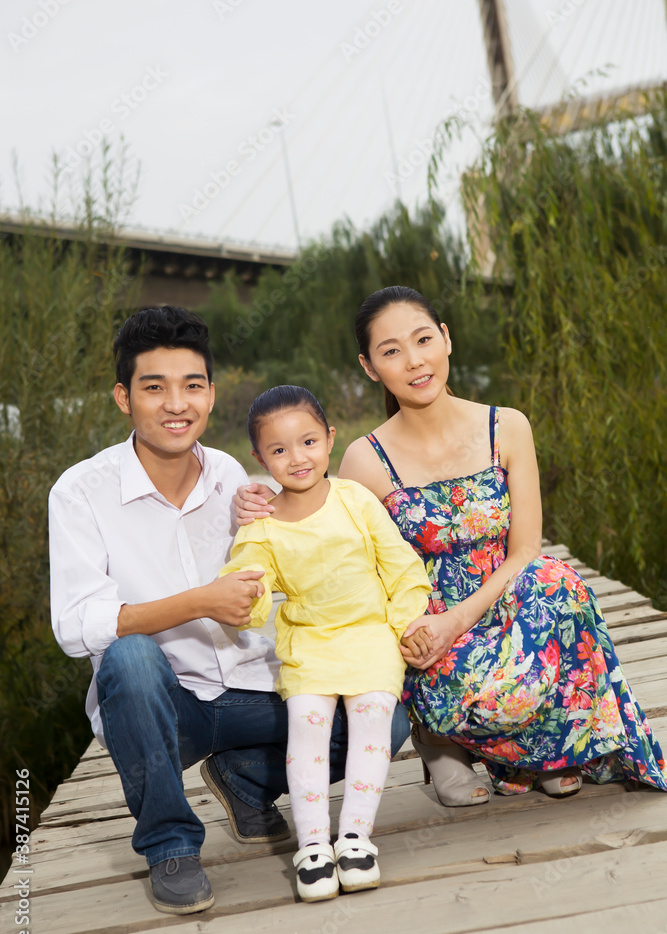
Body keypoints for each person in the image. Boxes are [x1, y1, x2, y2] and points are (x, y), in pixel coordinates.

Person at [236, 286, 667, 807]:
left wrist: (457, 620)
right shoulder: (364, 458)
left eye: (423, 340)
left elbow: (525, 549)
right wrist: (254, 502)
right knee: (421, 648)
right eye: (391, 350)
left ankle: (549, 745)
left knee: (557, 582)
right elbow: (321, 523)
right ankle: (440, 742)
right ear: (370, 367)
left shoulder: (506, 426)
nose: (414, 361)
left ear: (446, 339)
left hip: (503, 598)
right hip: (423, 621)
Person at [48, 306, 412, 916]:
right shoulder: (81, 491)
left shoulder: (232, 476)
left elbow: (284, 557)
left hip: (253, 688)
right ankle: (170, 845)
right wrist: (199, 604)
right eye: (154, 387)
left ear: (211, 393)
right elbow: (74, 626)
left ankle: (246, 779)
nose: (175, 404)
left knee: (384, 718)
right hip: (168, 707)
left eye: (192, 386)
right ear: (122, 397)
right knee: (130, 659)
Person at [220, 385, 432, 902]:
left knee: (371, 723)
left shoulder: (354, 500)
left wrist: (409, 624)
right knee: (307, 735)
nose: (297, 458)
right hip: (309, 645)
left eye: (309, 441)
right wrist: (246, 597)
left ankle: (356, 837)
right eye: (279, 450)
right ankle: (313, 846)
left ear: (330, 438)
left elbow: (399, 564)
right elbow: (246, 585)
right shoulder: (263, 528)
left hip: (370, 637)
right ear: (259, 458)